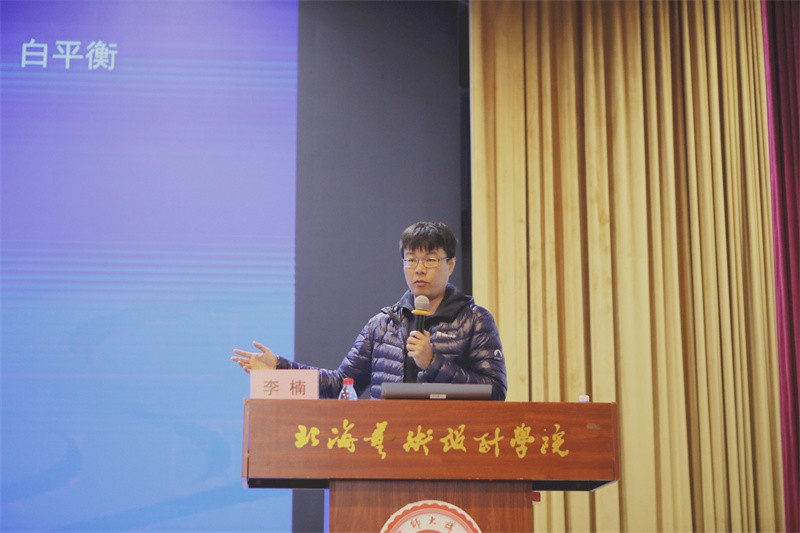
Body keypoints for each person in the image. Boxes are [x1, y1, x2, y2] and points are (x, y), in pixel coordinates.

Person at [231, 221, 507, 400]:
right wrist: (279, 368)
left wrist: (433, 362)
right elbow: (340, 384)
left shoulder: (475, 320)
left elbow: (495, 391)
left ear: (451, 264)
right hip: (387, 445)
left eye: (431, 260)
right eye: (411, 260)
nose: (419, 269)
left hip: (449, 445)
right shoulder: (383, 325)